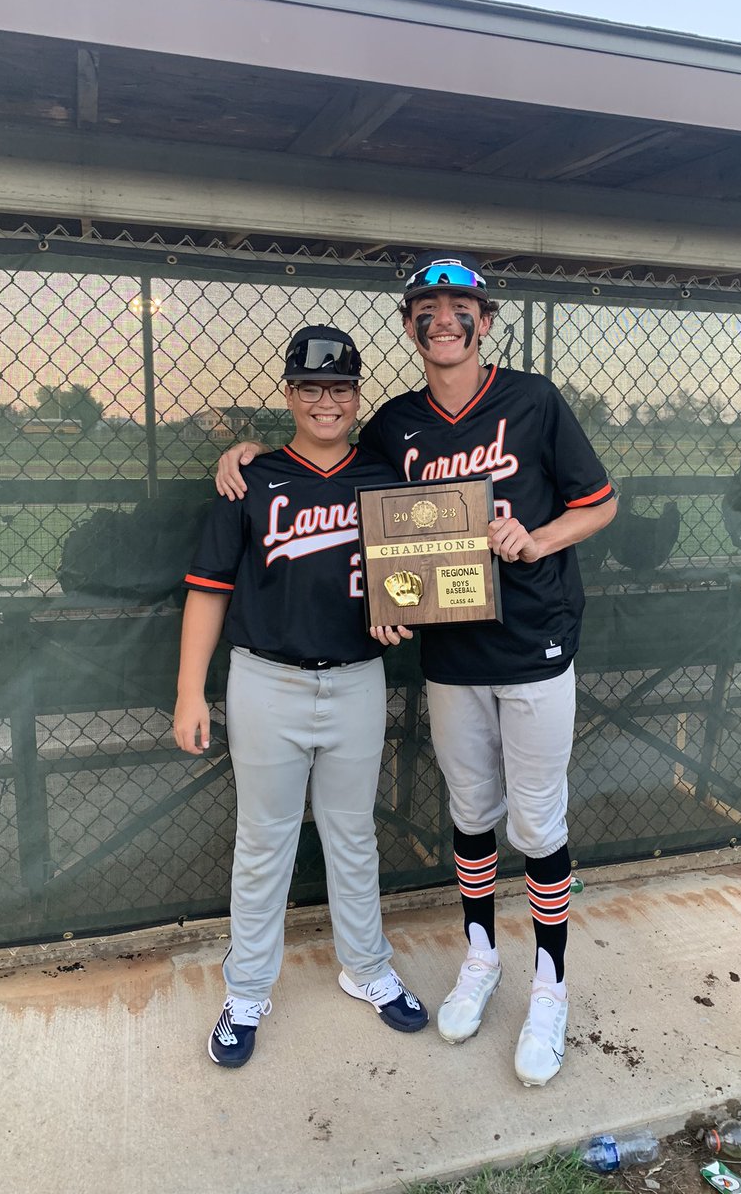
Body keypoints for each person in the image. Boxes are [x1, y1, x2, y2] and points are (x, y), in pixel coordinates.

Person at [215, 255, 616, 1086]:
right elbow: (336, 470)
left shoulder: (533, 400)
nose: (443, 320)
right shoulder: (394, 423)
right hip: (451, 652)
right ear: (409, 326)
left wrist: (538, 540)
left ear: (484, 320)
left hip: (536, 640)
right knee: (470, 811)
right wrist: (247, 452)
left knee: (537, 825)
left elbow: (601, 503)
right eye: (427, 309)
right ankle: (480, 957)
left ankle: (550, 983)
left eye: (458, 307)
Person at [175, 324, 428, 1070]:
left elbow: (420, 577)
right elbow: (207, 590)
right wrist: (192, 691)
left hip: (355, 680)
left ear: (357, 395)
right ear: (289, 394)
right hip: (265, 681)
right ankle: (247, 989)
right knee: (264, 842)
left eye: (341, 387)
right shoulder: (247, 480)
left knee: (353, 835)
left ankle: (367, 967)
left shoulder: (383, 478)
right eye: (311, 387)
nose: (327, 401)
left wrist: (404, 605)